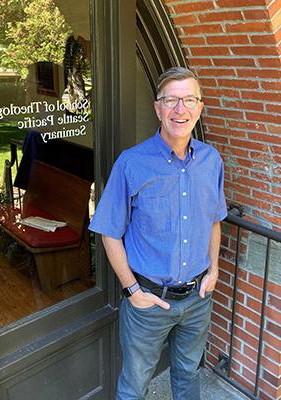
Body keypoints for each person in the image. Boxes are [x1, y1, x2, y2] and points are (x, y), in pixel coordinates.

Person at [89, 66, 227, 400]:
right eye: (171, 100)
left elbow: (214, 220)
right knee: (134, 386)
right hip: (148, 303)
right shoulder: (131, 163)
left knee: (188, 375)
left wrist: (214, 270)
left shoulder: (211, 160)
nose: (181, 109)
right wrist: (132, 291)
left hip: (198, 298)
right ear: (157, 108)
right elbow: (110, 232)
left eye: (189, 100)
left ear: (200, 107)